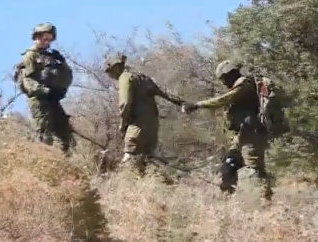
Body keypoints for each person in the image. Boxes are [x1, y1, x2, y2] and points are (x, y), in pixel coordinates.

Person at [182, 60, 273, 200]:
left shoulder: (244, 85)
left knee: (254, 170)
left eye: (224, 79)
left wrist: (197, 105)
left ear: (231, 74)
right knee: (228, 165)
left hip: (252, 135)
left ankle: (263, 202)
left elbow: (224, 100)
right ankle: (228, 199)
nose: (224, 82)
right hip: (241, 135)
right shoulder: (240, 86)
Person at [103, 54, 185, 174]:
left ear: (115, 67)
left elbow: (125, 103)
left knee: (129, 160)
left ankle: (128, 188)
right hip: (152, 126)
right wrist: (183, 103)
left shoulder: (125, 78)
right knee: (149, 161)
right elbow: (164, 92)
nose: (110, 75)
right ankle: (166, 182)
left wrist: (123, 123)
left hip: (137, 125)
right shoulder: (142, 78)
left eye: (109, 71)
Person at [14, 23, 75, 155]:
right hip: (39, 101)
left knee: (65, 134)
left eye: (49, 39)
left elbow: (66, 76)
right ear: (36, 37)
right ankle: (43, 163)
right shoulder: (30, 56)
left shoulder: (52, 56)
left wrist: (62, 64)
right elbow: (28, 81)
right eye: (44, 38)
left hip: (53, 100)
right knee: (44, 137)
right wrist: (46, 91)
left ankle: (64, 164)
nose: (46, 42)